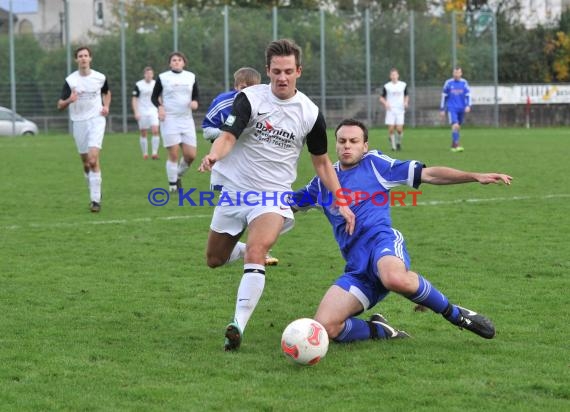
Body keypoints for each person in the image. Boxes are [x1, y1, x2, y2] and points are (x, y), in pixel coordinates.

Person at [290, 118, 512, 343]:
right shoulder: (320, 184)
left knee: (394, 278)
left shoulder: (375, 165)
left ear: (364, 146)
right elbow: (286, 204)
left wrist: (473, 176)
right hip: (358, 270)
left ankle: (456, 315)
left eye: (354, 141)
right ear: (335, 145)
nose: (347, 146)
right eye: (342, 141)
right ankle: (380, 330)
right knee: (325, 327)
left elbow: (429, 174)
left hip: (381, 244)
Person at [198, 39, 355, 352]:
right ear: (268, 72)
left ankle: (237, 325)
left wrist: (341, 199)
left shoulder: (310, 113)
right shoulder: (248, 99)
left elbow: (322, 162)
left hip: (272, 197)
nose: (282, 78)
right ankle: (242, 251)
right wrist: (215, 155)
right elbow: (228, 136)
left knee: (258, 249)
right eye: (275, 72)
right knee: (214, 259)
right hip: (235, 191)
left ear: (298, 71)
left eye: (288, 71)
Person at [201, 67, 279, 266]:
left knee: (258, 206)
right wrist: (230, 134)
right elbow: (207, 131)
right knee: (232, 216)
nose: (248, 92)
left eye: (252, 88)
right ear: (236, 87)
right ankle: (249, 249)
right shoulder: (223, 102)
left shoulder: (269, 103)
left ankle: (257, 248)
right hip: (226, 167)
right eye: (243, 88)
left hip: (256, 169)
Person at [57, 46, 111, 213]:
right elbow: (59, 105)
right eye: (80, 56)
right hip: (79, 122)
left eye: (86, 56)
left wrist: (106, 106)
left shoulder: (100, 77)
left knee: (93, 160)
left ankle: (95, 200)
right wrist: (69, 100)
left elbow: (107, 92)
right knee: (86, 163)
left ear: (90, 58)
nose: (83, 58)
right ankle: (94, 189)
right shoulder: (70, 81)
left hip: (96, 119)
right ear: (76, 60)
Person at [151, 52, 199, 192]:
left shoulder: (191, 77)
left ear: (184, 62)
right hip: (169, 118)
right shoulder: (163, 77)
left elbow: (196, 95)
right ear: (170, 63)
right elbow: (154, 97)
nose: (176, 62)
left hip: (186, 119)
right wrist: (160, 107)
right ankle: (172, 185)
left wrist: (195, 102)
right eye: (174, 60)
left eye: (179, 60)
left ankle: (177, 175)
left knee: (191, 155)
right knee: (173, 153)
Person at [132, 66, 160, 160]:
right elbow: (134, 99)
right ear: (144, 75)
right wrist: (136, 112)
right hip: (142, 111)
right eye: (147, 74)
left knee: (155, 130)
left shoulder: (156, 84)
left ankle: (154, 153)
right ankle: (145, 153)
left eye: (150, 74)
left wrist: (160, 108)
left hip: (153, 110)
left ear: (153, 75)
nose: (149, 75)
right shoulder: (139, 84)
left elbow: (159, 97)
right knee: (143, 133)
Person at [440, 67, 471, 152]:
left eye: (458, 73)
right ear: (453, 73)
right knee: (455, 125)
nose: (456, 74)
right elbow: (444, 97)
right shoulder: (448, 83)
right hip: (451, 108)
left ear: (461, 73)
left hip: (461, 108)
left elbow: (468, 95)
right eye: (455, 73)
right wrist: (442, 109)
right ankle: (457, 144)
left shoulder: (464, 83)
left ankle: (453, 143)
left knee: (458, 126)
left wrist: (468, 105)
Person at [379, 68, 408, 151]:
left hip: (400, 110)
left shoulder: (403, 85)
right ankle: (393, 146)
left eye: (395, 74)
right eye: (392, 75)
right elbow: (381, 98)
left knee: (399, 129)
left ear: (398, 75)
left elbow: (406, 95)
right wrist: (386, 103)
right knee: (391, 128)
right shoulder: (387, 86)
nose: (394, 76)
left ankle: (398, 142)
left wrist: (405, 102)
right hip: (390, 110)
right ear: (390, 76)